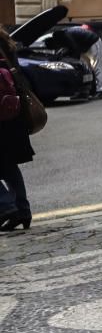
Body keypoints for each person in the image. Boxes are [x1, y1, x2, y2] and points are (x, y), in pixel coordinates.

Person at [0, 28, 34, 231]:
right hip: (14, 114)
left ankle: (7, 206)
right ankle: (23, 211)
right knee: (10, 167)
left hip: (2, 118)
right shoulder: (7, 45)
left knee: (8, 166)